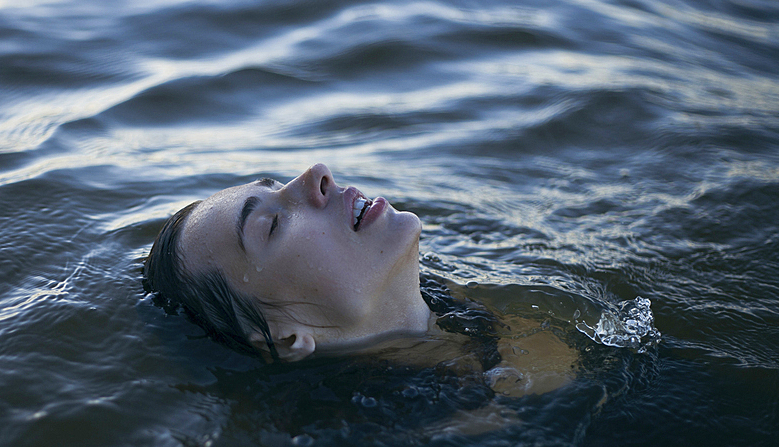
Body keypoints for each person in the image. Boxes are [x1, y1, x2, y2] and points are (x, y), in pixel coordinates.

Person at [144, 164, 578, 397]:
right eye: (272, 225)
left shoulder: (473, 310)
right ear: (288, 337)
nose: (317, 174)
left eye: (278, 183)